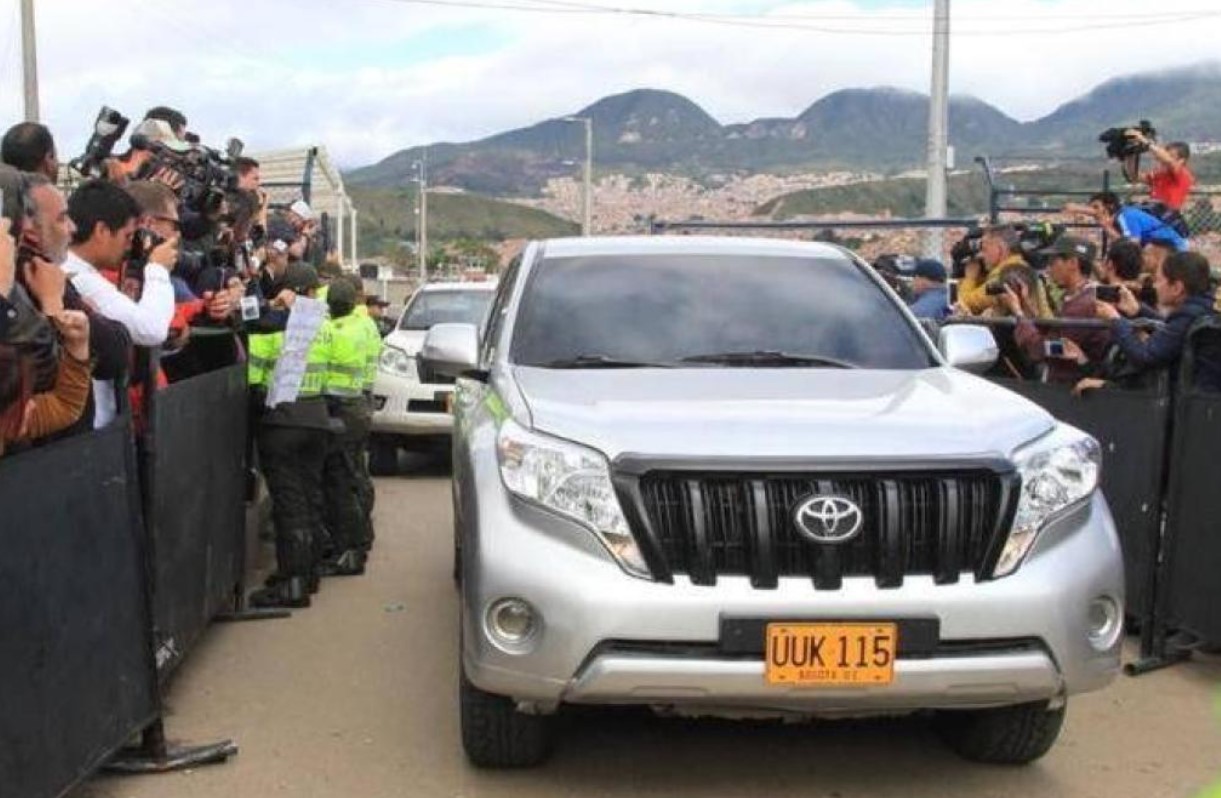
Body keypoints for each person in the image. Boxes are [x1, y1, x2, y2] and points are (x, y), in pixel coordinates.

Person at [247, 261, 334, 608]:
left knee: (289, 504)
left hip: (283, 421)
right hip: (317, 417)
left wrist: (269, 308)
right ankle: (307, 574)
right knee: (310, 498)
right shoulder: (325, 325)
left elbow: (255, 375)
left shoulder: (276, 327)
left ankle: (293, 584)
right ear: (314, 292)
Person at [63, 179, 177, 427]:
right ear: (102, 231)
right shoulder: (79, 277)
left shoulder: (76, 271)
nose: (130, 245)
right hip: (89, 433)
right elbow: (151, 329)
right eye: (127, 235)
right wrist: (158, 269)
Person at [1079, 251, 1220, 393]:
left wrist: (1115, 320)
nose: (1155, 286)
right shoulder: (1204, 307)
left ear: (1177, 288)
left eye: (1158, 280)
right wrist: (1138, 310)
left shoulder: (1188, 315)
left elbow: (1144, 356)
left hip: (1187, 405)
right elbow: (1172, 332)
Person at [318, 279, 373, 576]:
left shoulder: (335, 332)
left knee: (341, 482)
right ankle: (358, 542)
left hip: (342, 410)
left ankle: (349, 552)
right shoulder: (363, 325)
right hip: (358, 407)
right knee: (353, 478)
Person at [1003, 237, 1108, 384]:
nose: (1048, 269)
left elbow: (1042, 349)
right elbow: (1056, 332)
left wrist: (1018, 313)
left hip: (1069, 387)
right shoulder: (1085, 295)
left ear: (1073, 263)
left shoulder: (1082, 306)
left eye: (1053, 262)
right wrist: (1027, 306)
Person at [957, 224, 1051, 318]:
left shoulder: (1007, 275)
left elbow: (964, 304)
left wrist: (970, 277)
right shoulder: (1020, 266)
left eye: (985, 249)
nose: (981, 255)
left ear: (1000, 249)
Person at [1070, 192, 1188, 252]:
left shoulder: (1126, 216)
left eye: (1096, 207)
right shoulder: (1124, 214)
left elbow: (1131, 246)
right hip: (1166, 246)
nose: (1094, 212)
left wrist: (1106, 226)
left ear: (1110, 206)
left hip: (1172, 248)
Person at [1123, 129, 1194, 211]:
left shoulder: (1182, 173)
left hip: (1167, 214)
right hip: (1154, 212)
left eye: (1171, 155)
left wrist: (1144, 140)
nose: (1163, 158)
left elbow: (1168, 161)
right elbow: (1134, 176)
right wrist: (1130, 154)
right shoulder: (1160, 174)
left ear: (1181, 160)